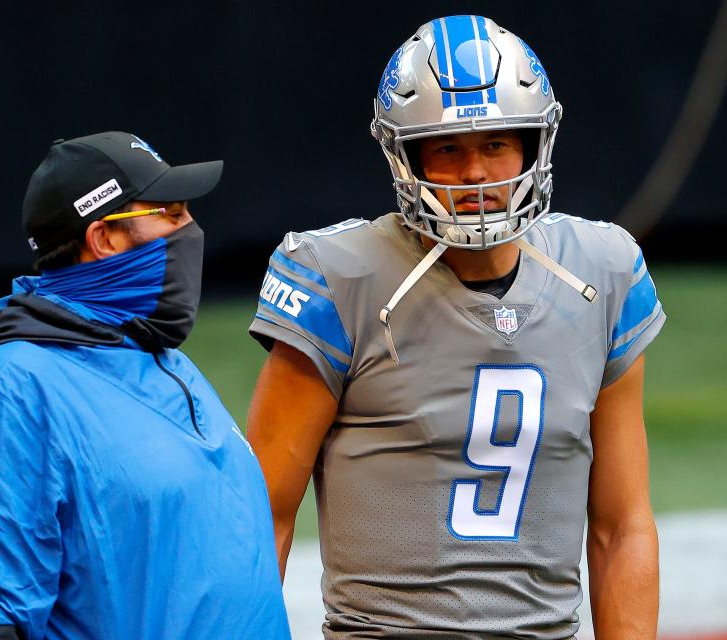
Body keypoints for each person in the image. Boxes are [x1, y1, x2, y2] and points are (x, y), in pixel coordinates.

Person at [247, 15, 663, 639]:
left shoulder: (603, 272)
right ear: (405, 155)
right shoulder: (338, 278)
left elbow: (621, 526)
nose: (475, 176)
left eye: (495, 144)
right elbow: (263, 522)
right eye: (448, 149)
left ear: (533, 143)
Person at [0, 131, 291, 640]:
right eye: (170, 213)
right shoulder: (6, 394)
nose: (192, 229)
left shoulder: (157, 357)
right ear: (104, 238)